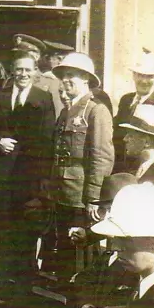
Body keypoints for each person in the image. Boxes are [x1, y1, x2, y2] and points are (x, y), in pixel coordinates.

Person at [0, 50, 56, 293]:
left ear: (35, 72)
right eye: (19, 69)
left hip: (28, 173)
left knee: (27, 226)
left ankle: (26, 280)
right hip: (1, 171)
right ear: (12, 71)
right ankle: (2, 278)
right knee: (2, 224)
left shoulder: (43, 98)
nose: (23, 74)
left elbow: (46, 139)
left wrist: (41, 177)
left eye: (27, 70)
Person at [43, 52, 114, 281]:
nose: (65, 80)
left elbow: (101, 158)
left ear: (86, 79)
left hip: (82, 197)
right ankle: (67, 305)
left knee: (82, 256)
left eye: (71, 75)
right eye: (63, 76)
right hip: (62, 194)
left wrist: (94, 198)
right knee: (65, 253)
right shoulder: (66, 111)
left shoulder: (96, 110)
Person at [68, 173, 139, 308]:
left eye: (111, 209)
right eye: (103, 210)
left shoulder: (137, 259)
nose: (105, 217)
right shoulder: (109, 253)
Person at [113, 50, 154, 172]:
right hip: (122, 169)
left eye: (149, 76)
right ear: (133, 75)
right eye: (140, 75)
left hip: (148, 170)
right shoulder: (126, 100)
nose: (143, 81)